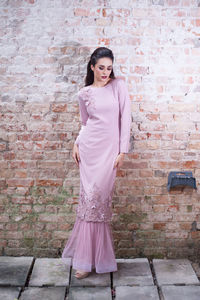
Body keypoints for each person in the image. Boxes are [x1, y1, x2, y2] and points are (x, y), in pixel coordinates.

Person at [61, 47, 131, 279]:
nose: (105, 72)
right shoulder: (84, 93)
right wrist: (76, 143)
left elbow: (125, 117)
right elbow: (85, 123)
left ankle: (98, 258)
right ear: (92, 67)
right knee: (88, 202)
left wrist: (122, 151)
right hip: (88, 150)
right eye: (101, 67)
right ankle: (84, 261)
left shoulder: (118, 86)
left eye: (109, 68)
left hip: (109, 152)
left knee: (98, 203)